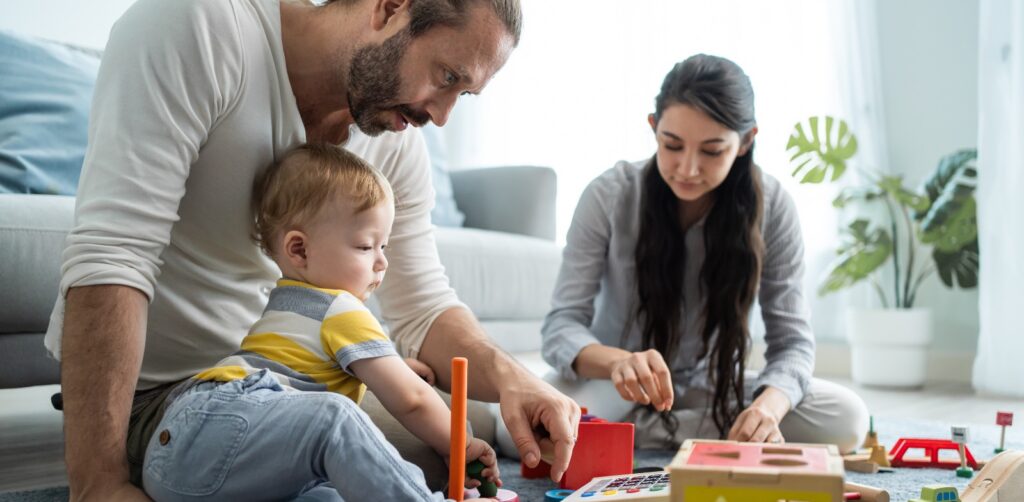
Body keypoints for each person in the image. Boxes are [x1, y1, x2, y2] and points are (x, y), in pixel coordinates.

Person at [44, 0, 579, 500]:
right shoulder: (202, 26)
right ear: (391, 7)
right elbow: (113, 255)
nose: (441, 116)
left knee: (449, 456)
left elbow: (424, 305)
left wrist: (516, 380)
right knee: (360, 441)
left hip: (282, 391)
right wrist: (98, 484)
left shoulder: (394, 140)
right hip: (159, 401)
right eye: (446, 77)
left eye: (462, 95)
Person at [538, 54, 868, 453]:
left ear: (746, 141)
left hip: (713, 387)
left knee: (848, 418)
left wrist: (768, 408)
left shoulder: (774, 206)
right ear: (653, 128)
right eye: (672, 145)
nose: (688, 168)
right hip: (615, 387)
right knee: (522, 429)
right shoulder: (608, 195)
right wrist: (618, 362)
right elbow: (562, 325)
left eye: (712, 151)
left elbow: (793, 342)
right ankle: (705, 436)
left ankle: (637, 435)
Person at [141, 144, 498, 501]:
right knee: (336, 419)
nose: (381, 263)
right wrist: (461, 443)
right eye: (365, 247)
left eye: (384, 247)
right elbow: (413, 399)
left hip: (175, 457)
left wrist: (391, 366)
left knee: (328, 493)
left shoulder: (287, 302)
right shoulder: (342, 308)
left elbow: (311, 366)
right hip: (218, 421)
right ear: (299, 250)